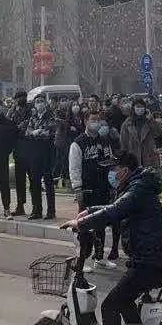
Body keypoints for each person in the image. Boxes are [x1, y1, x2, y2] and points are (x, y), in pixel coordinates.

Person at [64, 151, 162, 325]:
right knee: (124, 301)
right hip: (148, 261)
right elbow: (115, 208)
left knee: (111, 305)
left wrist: (82, 223)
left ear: (125, 170)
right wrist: (89, 210)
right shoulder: (138, 186)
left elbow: (114, 211)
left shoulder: (138, 189)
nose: (111, 173)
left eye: (114, 169)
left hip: (148, 263)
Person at [69, 112, 117, 269]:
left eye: (98, 120)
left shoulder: (104, 141)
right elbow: (74, 168)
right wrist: (77, 188)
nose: (96, 123)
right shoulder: (78, 143)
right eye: (93, 120)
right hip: (86, 189)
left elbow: (111, 162)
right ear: (85, 121)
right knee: (84, 225)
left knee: (101, 224)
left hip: (103, 188)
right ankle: (81, 260)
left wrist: (113, 183)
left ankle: (100, 256)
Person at [24, 96, 57, 219]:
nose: (39, 104)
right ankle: (36, 210)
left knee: (48, 182)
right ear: (34, 105)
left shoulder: (51, 117)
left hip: (47, 152)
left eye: (42, 101)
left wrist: (37, 132)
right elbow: (27, 132)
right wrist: (34, 132)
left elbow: (49, 132)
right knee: (34, 182)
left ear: (45, 103)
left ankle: (51, 211)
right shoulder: (33, 117)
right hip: (34, 152)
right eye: (37, 102)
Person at [119, 98, 162, 170]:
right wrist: (125, 156)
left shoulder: (149, 121)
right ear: (133, 108)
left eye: (142, 107)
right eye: (138, 106)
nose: (140, 109)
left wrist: (151, 120)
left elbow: (158, 133)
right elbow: (123, 141)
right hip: (133, 157)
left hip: (149, 156)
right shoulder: (128, 123)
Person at [9, 91, 31, 216]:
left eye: (21, 98)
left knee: (33, 180)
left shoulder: (31, 111)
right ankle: (20, 206)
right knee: (20, 181)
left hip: (30, 148)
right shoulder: (13, 112)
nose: (19, 100)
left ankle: (36, 207)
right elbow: (9, 127)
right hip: (18, 149)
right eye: (17, 99)